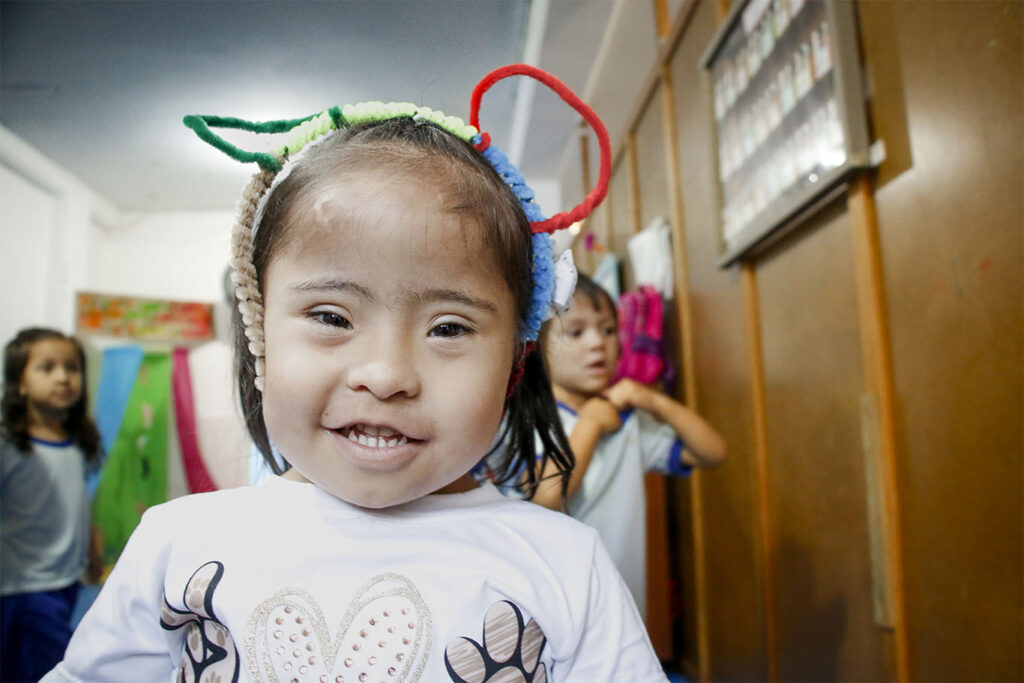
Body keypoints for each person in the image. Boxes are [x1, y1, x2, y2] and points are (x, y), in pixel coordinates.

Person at [43, 65, 669, 682]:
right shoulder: (179, 543)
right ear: (260, 332)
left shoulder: (564, 563)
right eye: (331, 316)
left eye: (448, 328)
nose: (386, 374)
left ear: (514, 362)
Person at [531, 274, 728, 619]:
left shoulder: (628, 420)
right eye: (576, 332)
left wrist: (654, 402)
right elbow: (547, 498)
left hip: (624, 603)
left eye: (608, 330)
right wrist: (589, 425)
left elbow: (712, 453)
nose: (597, 343)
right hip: (563, 608)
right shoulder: (533, 422)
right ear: (539, 347)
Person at [1, 327, 104, 682]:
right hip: (25, 588)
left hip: (67, 582)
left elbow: (77, 503)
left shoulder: (75, 441)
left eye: (71, 368)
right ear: (20, 383)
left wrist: (92, 549)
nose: (63, 377)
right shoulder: (9, 443)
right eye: (47, 368)